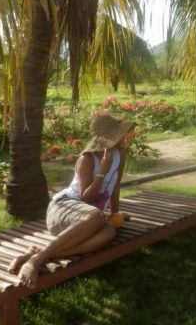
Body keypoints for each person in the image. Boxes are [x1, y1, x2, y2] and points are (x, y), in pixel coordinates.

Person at [8, 113, 134, 288]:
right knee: (98, 216)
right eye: (122, 133)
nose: (126, 136)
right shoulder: (87, 159)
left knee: (109, 233)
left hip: (86, 219)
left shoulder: (119, 154)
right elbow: (85, 198)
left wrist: (115, 213)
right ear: (109, 138)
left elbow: (116, 186)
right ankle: (35, 261)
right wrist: (102, 171)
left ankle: (39, 253)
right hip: (63, 209)